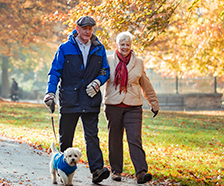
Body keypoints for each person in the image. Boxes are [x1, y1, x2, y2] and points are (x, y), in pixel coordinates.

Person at [43, 16, 111, 183]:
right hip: (69, 99)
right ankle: (63, 170)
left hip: (90, 99)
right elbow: (55, 72)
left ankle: (97, 171)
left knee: (92, 137)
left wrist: (97, 82)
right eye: (84, 28)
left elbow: (105, 71)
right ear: (77, 28)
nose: (87, 31)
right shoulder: (65, 48)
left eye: (90, 28)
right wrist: (50, 93)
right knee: (66, 137)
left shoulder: (99, 48)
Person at [103, 31, 159, 184]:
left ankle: (141, 172)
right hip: (113, 105)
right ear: (117, 45)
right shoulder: (108, 60)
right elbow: (100, 78)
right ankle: (116, 171)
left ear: (131, 46)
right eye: (122, 44)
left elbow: (145, 84)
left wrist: (154, 103)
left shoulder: (138, 62)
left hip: (133, 106)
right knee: (114, 139)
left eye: (127, 45)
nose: (125, 47)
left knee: (134, 138)